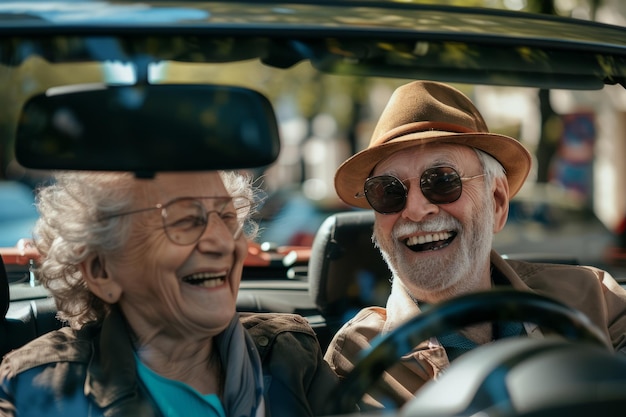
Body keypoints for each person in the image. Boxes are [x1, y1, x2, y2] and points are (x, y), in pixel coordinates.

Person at [324, 80, 626, 407]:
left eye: (442, 181)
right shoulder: (356, 356)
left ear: (496, 202)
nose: (414, 209)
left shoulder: (593, 297)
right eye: (388, 192)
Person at [0, 170, 340, 417]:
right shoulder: (37, 387)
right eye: (183, 221)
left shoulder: (290, 355)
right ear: (102, 271)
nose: (223, 243)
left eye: (226, 217)